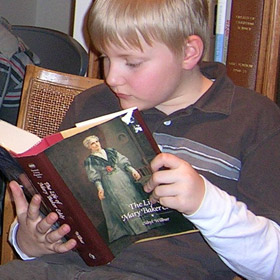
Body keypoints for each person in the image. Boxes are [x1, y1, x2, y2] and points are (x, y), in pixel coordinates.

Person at [0, 0, 280, 279]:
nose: (111, 78)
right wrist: (29, 239)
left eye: (132, 63)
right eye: (106, 58)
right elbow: (59, 211)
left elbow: (272, 265)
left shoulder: (254, 119)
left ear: (188, 52)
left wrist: (205, 202)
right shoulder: (92, 105)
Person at [82, 135, 153, 242]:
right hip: (110, 183)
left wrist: (132, 170)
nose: (96, 144)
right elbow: (95, 177)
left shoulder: (111, 151)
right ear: (89, 147)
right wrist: (100, 188)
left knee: (134, 198)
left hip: (123, 178)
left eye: (97, 141)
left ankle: (148, 224)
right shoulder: (90, 160)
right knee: (123, 203)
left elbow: (123, 162)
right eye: (93, 143)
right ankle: (138, 229)